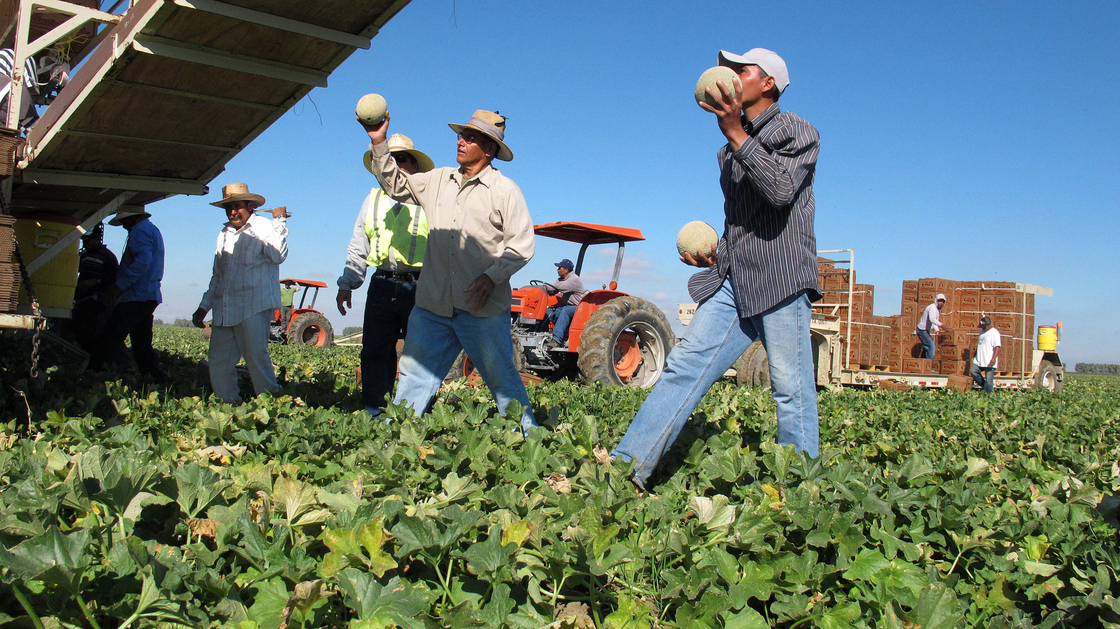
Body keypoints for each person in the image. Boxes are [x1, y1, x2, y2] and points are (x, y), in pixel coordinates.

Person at [612, 47, 821, 490]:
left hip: (781, 279)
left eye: (740, 70)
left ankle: (801, 496)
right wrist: (717, 254)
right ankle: (625, 470)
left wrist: (734, 132)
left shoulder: (797, 131)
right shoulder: (728, 152)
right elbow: (742, 222)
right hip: (736, 281)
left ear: (767, 83)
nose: (728, 76)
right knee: (683, 367)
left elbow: (782, 192)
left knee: (790, 390)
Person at [362, 109, 538, 435]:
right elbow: (395, 185)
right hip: (433, 306)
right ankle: (392, 446)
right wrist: (379, 141)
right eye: (461, 135)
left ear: (488, 150)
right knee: (413, 378)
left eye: (470, 138)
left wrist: (492, 276)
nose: (461, 140)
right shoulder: (437, 180)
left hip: (480, 309)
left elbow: (522, 245)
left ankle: (530, 444)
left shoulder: (505, 191)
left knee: (502, 381)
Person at [336, 133, 434, 416]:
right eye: (390, 160)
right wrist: (348, 283)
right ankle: (374, 410)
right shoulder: (372, 199)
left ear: (414, 166)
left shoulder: (428, 199)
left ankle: (418, 412)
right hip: (382, 283)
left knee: (421, 355)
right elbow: (359, 244)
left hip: (420, 286)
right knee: (376, 350)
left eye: (401, 159)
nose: (396, 165)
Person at [192, 183, 290, 403]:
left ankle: (270, 403)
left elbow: (278, 256)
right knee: (218, 360)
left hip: (254, 305)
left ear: (250, 206)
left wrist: (280, 222)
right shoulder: (224, 234)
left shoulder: (265, 226)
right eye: (229, 208)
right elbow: (218, 275)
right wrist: (204, 306)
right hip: (226, 307)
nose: (233, 212)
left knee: (256, 357)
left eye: (237, 207)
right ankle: (229, 403)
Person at [88, 210, 166, 382]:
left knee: (109, 337)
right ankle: (155, 379)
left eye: (124, 220)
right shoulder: (152, 229)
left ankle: (92, 374)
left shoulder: (139, 231)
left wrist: (118, 286)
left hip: (136, 296)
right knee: (141, 344)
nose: (123, 225)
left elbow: (142, 261)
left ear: (134, 217)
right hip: (148, 295)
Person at [72, 222, 118, 354]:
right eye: (84, 241)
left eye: (88, 241)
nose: (86, 244)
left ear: (97, 239)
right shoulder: (84, 256)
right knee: (78, 326)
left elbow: (114, 278)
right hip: (83, 299)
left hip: (98, 302)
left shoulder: (108, 257)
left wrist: (95, 282)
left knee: (92, 330)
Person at [543, 258, 586, 348]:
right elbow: (553, 288)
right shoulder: (561, 279)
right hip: (568, 306)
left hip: (578, 307)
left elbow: (558, 287)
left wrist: (545, 287)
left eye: (560, 268)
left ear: (566, 270)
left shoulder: (574, 279)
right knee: (549, 311)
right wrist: (544, 288)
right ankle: (542, 332)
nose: (558, 270)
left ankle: (557, 339)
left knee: (565, 311)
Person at [971, 316, 1001, 393]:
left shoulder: (994, 333)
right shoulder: (981, 332)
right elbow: (979, 344)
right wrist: (975, 354)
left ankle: (987, 395)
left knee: (989, 380)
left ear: (989, 325)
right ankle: (985, 386)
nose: (983, 329)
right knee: (973, 371)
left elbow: (997, 347)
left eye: (984, 327)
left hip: (989, 360)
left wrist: (994, 358)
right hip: (979, 359)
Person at [916, 293, 950, 359]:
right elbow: (932, 319)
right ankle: (929, 366)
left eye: (943, 301)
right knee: (931, 346)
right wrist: (942, 325)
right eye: (939, 301)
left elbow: (934, 321)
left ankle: (923, 363)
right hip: (922, 330)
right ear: (936, 301)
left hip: (925, 330)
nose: (941, 303)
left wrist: (937, 330)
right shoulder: (932, 308)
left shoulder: (937, 310)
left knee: (927, 347)